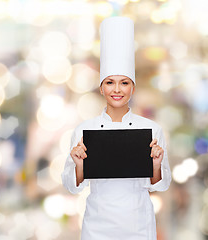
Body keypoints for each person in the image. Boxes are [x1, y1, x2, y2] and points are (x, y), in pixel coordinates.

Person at [61, 16, 171, 240]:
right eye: (110, 82)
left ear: (132, 87)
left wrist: (156, 165)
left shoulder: (151, 129)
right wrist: (80, 165)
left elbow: (161, 186)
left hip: (138, 224)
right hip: (98, 225)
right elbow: (73, 187)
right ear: (101, 88)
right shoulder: (84, 130)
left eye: (124, 82)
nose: (117, 89)